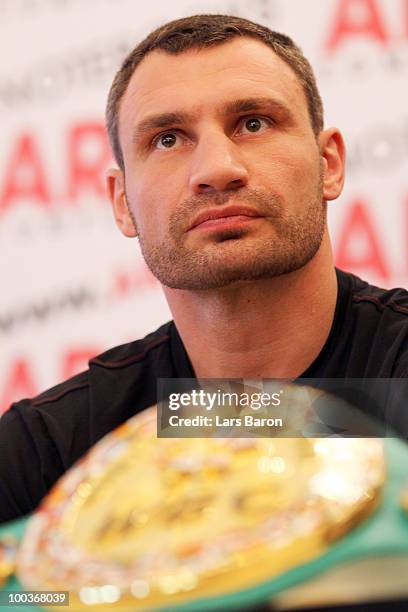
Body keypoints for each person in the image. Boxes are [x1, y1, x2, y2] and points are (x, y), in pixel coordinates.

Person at [1, 13, 408, 525]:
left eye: (253, 123)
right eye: (168, 139)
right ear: (122, 202)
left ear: (329, 164)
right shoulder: (48, 454)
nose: (217, 169)